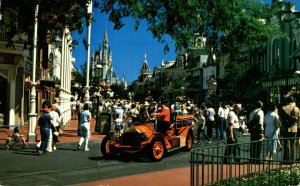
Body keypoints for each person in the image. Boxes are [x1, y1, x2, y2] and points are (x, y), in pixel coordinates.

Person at [279, 96, 300, 162]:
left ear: (287, 101)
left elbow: (281, 119)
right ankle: (292, 159)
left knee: (286, 144)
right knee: (292, 144)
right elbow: (299, 119)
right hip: (294, 128)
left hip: (285, 128)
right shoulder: (297, 108)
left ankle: (286, 159)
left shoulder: (283, 108)